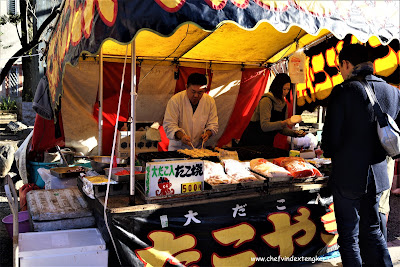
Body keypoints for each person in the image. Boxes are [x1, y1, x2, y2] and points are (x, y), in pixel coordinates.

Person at [321, 43, 400, 266]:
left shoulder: (343, 91)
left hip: (348, 176)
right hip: (378, 174)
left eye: (340, 68)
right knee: (373, 231)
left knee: (349, 237)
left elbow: (330, 141)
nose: (341, 73)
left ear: (346, 64)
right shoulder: (393, 92)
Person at [239, 73, 305, 146]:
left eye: (288, 89)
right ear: (278, 87)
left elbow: (281, 128)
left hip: (267, 142)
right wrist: (285, 122)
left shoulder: (284, 104)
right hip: (252, 141)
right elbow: (265, 126)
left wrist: (294, 133)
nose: (286, 92)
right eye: (284, 89)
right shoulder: (267, 100)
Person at [163, 73, 218, 151]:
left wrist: (207, 134)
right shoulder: (175, 100)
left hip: (199, 149)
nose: (196, 95)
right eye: (193, 91)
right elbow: (169, 125)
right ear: (186, 87)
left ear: (205, 90)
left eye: (200, 92)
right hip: (178, 149)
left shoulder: (210, 101)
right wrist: (182, 136)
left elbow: (213, 124)